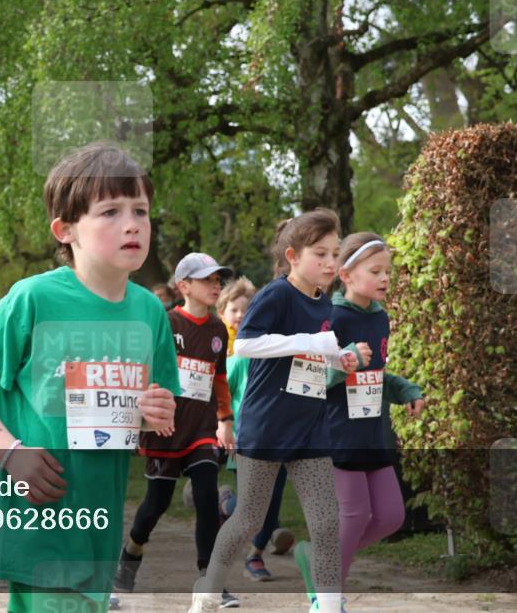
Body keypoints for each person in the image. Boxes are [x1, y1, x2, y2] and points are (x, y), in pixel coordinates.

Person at [0, 142, 179, 613]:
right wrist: (8, 451)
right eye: (110, 211)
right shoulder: (32, 297)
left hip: (101, 519)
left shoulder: (151, 311)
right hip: (37, 509)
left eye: (141, 210)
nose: (132, 223)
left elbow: (145, 411)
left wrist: (154, 414)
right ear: (65, 229)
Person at [191, 208, 369, 613]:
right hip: (266, 428)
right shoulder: (275, 294)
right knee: (247, 522)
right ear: (293, 256)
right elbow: (247, 346)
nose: (330, 262)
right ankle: (208, 589)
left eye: (334, 253)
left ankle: (327, 605)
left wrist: (339, 359)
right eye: (319, 254)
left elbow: (308, 361)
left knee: (326, 524)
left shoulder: (326, 304)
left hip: (311, 429)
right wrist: (312, 342)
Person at [293, 233, 426, 604]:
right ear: (347, 274)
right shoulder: (330, 318)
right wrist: (346, 360)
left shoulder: (380, 318)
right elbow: (307, 378)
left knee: (390, 516)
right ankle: (327, 597)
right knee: (352, 517)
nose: (385, 278)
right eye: (376, 270)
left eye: (388, 271)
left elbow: (377, 374)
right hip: (337, 434)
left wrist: (406, 391)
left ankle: (313, 558)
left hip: (374, 433)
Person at [114, 253, 234, 604]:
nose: (216, 285)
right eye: (207, 280)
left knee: (208, 497)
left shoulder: (217, 331)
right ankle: (130, 555)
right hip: (164, 429)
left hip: (201, 428)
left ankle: (209, 579)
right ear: (184, 286)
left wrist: (225, 420)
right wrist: (150, 414)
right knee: (156, 504)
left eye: (218, 280)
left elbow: (220, 378)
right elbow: (143, 370)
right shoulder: (165, 323)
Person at [217, 278, 296, 585]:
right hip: (246, 442)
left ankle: (256, 550)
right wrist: (224, 425)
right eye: (235, 310)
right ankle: (251, 551)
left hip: (282, 440)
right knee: (254, 508)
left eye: (247, 310)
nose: (241, 315)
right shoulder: (238, 360)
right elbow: (222, 394)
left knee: (271, 505)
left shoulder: (283, 357)